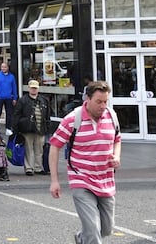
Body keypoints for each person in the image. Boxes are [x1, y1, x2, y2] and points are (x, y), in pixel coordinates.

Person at [48, 81, 121, 244]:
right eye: (98, 102)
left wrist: (116, 156)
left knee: (106, 228)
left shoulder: (111, 116)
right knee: (94, 231)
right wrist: (54, 181)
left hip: (105, 179)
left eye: (105, 101)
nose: (103, 106)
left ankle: (81, 238)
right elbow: (54, 147)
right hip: (81, 179)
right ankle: (87, 237)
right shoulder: (72, 120)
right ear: (87, 99)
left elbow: (117, 139)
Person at [13, 79, 51, 175]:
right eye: (32, 88)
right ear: (29, 88)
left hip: (40, 128)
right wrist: (16, 128)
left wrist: (47, 127)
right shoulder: (23, 100)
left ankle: (38, 167)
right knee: (28, 149)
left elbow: (47, 115)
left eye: (35, 88)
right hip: (27, 129)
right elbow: (16, 114)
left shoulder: (44, 100)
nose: (34, 90)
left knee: (39, 150)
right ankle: (29, 168)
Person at [0, 62, 18, 134]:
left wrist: (15, 97)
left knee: (9, 113)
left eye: (5, 67)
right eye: (2, 67)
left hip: (9, 97)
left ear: (8, 68)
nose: (3, 68)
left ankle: (8, 128)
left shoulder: (12, 77)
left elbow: (14, 88)